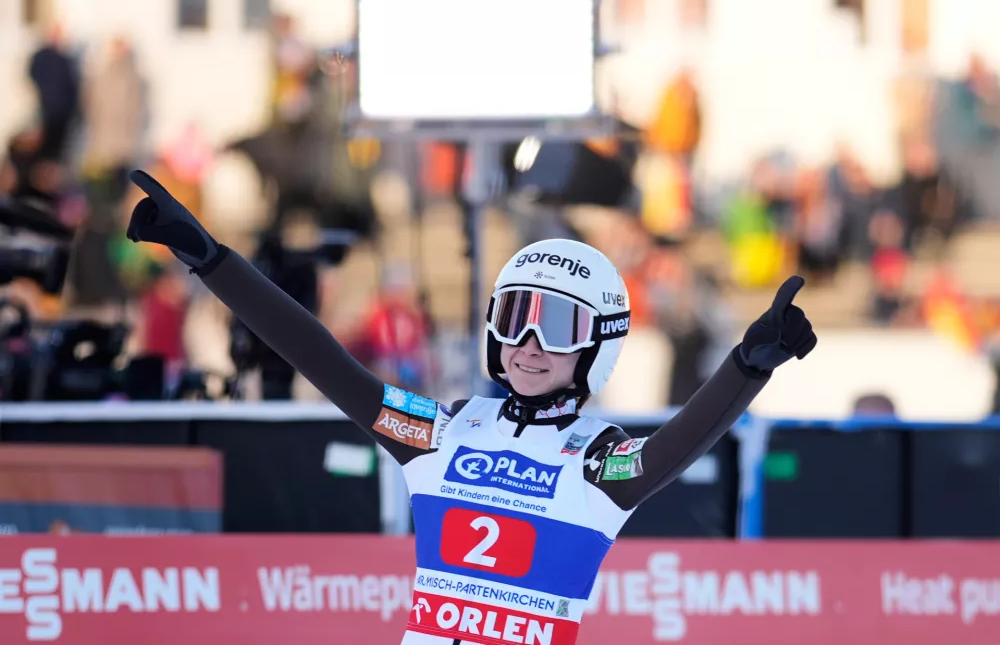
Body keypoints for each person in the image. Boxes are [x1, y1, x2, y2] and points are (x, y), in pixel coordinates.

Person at [125, 170, 816, 645]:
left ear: (596, 349)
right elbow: (325, 361)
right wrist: (210, 259)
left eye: (558, 328)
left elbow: (678, 444)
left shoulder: (601, 462)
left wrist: (746, 367)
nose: (529, 344)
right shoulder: (441, 433)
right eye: (515, 318)